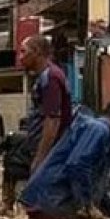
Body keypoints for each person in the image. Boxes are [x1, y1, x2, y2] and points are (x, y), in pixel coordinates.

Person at [20, 35, 73, 173]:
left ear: (36, 52)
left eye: (23, 51)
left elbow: (52, 121)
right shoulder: (46, 76)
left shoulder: (50, 78)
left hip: (52, 152)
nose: (20, 57)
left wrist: (40, 159)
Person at [0, 117, 31, 215]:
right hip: (24, 171)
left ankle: (7, 215)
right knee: (21, 196)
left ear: (20, 125)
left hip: (9, 169)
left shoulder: (11, 135)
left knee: (7, 198)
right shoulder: (33, 138)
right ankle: (19, 218)